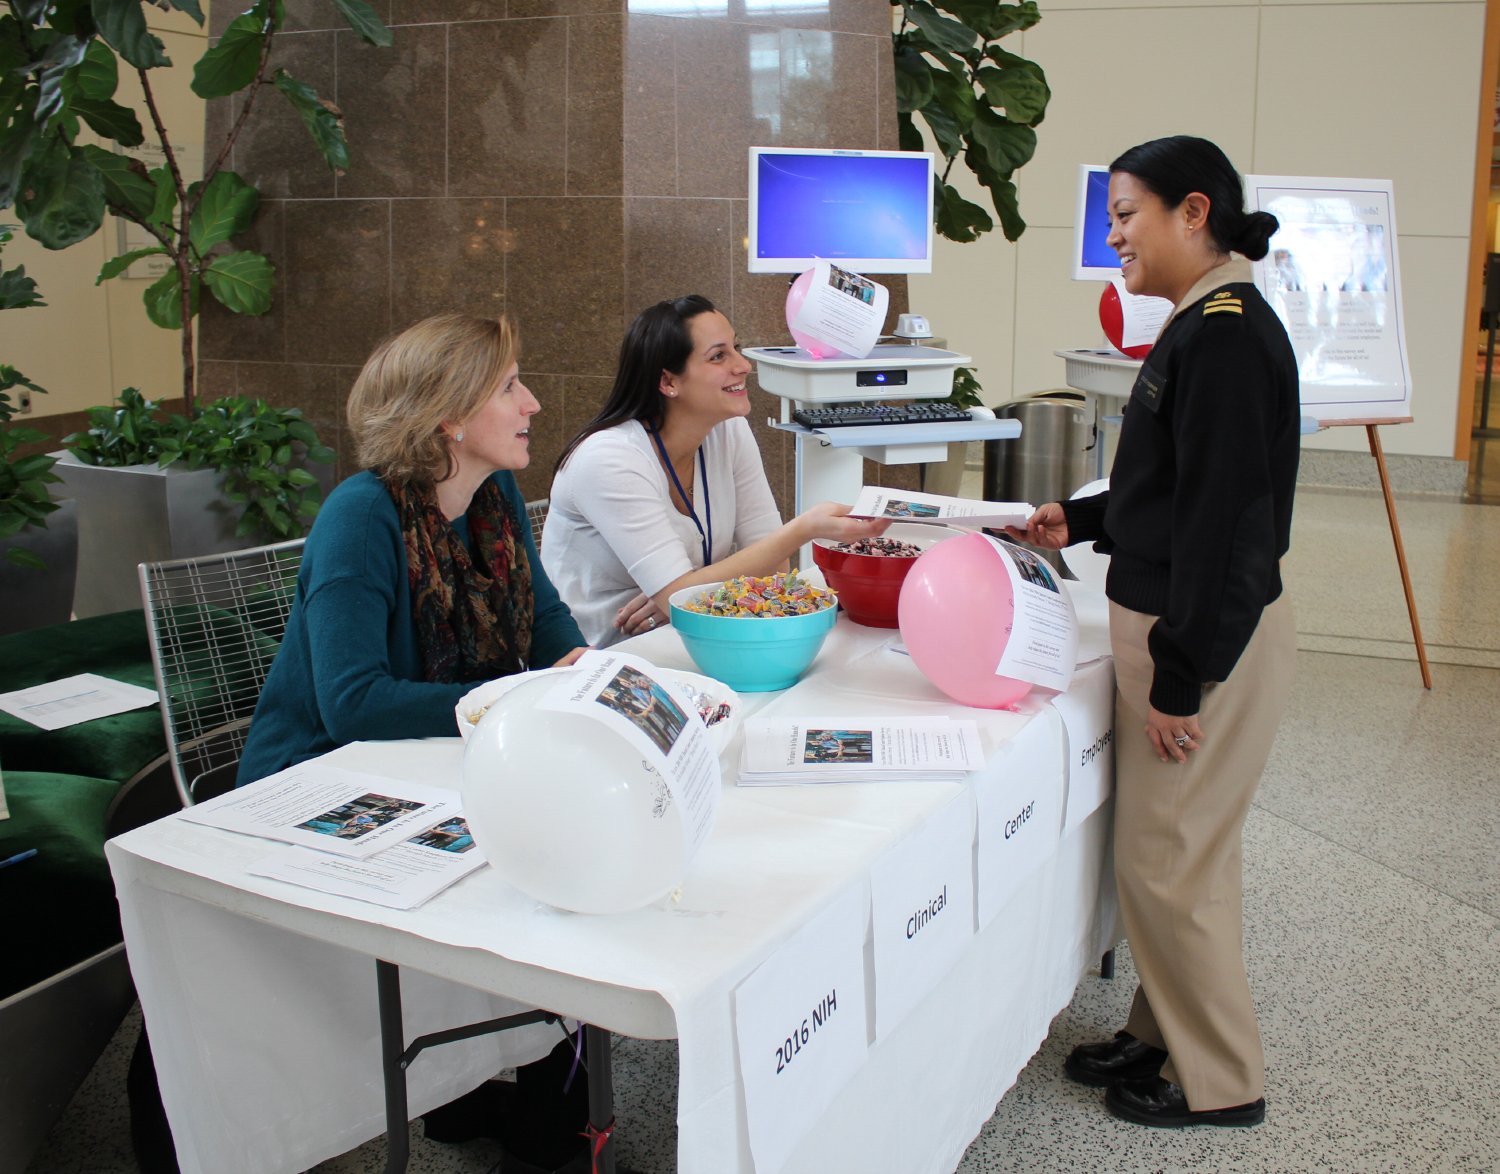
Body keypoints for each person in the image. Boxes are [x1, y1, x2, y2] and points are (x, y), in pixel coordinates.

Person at [1007, 136, 1299, 1130]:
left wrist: (1181, 677)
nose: (1115, 233)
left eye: (1128, 213)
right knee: (1172, 851)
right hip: (1181, 618)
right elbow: (1169, 487)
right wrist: (1081, 520)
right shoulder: (1201, 323)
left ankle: (1220, 1079)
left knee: (1172, 859)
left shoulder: (1221, 336)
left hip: (1199, 633)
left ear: (1195, 212)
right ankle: (1163, 1025)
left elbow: (1225, 525)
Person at [237, 313, 588, 787]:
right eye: (508, 387)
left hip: (439, 756)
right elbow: (353, 705)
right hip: (315, 776)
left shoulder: (494, 489)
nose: (533, 403)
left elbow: (543, 616)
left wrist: (583, 670)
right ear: (449, 416)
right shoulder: (361, 518)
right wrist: (515, 698)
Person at [542, 294, 888, 646]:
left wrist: (686, 594)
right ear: (668, 382)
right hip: (602, 656)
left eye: (736, 348)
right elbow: (682, 598)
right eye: (719, 356)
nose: (743, 365)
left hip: (695, 632)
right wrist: (804, 528)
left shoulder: (727, 429)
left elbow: (774, 570)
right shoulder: (609, 459)